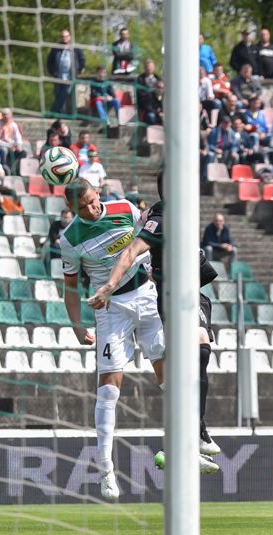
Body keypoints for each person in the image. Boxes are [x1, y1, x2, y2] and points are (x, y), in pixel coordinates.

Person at [86, 172, 223, 469]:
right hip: (173, 296)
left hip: (191, 292)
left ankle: (196, 432)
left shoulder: (176, 213)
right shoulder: (161, 219)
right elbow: (132, 250)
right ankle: (185, 440)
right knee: (192, 356)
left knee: (200, 352)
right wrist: (110, 285)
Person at [57, 179, 168, 501]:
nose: (91, 209)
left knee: (168, 375)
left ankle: (186, 445)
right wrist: (77, 326)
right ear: (70, 209)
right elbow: (70, 287)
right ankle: (105, 469)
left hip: (147, 296)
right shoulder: (70, 239)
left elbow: (148, 242)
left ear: (98, 193)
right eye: (83, 207)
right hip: (110, 308)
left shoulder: (125, 209)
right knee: (108, 387)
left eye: (93, 201)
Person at [46, 29, 84, 115]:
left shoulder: (76, 48)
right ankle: (61, 114)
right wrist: (53, 72)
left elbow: (82, 60)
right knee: (58, 95)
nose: (64, 38)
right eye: (62, 36)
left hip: (70, 77)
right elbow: (49, 61)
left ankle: (52, 112)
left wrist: (78, 71)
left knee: (65, 93)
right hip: (58, 76)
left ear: (70, 37)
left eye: (66, 36)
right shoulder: (56, 48)